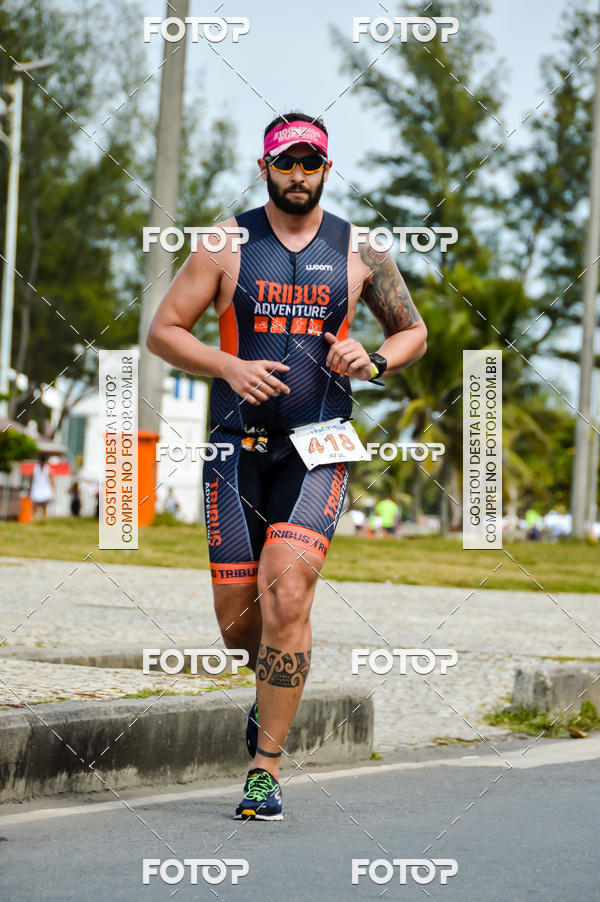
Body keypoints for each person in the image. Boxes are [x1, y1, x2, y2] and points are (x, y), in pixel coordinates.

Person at [146, 111, 427, 820]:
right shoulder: (224, 244)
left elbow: (411, 329)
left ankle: (265, 766)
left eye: (310, 163)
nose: (297, 174)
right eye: (285, 162)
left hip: (319, 443)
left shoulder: (363, 249)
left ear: (328, 169)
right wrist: (228, 366)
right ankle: (270, 694)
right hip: (233, 448)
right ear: (264, 166)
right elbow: (163, 332)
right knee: (241, 624)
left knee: (290, 596)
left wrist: (377, 359)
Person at [30, 453, 54, 520]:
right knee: (36, 508)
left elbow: (51, 481)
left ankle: (42, 519)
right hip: (38, 490)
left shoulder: (47, 469)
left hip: (44, 490)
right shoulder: (36, 469)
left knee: (43, 508)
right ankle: (36, 519)